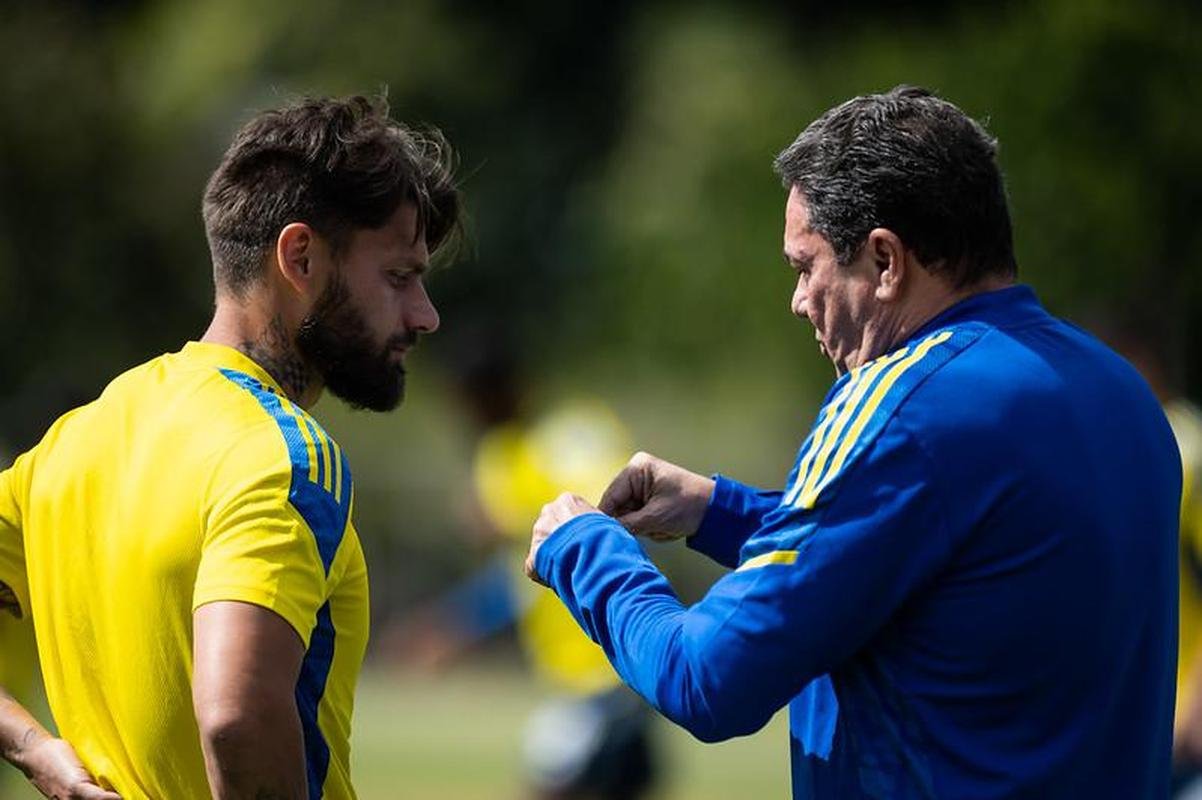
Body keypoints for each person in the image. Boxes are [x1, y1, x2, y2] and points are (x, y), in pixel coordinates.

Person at [525, 86, 1180, 797]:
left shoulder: (906, 402)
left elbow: (709, 680)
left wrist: (585, 550)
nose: (798, 300)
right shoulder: (1119, 390)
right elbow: (941, 563)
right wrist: (719, 512)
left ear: (885, 260)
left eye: (805, 267)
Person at [0, 94, 460, 799]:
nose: (424, 315)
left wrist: (36, 751)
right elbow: (237, 717)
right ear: (300, 257)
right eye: (399, 277)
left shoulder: (74, 437)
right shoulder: (286, 455)